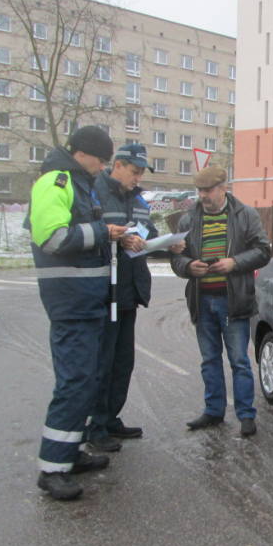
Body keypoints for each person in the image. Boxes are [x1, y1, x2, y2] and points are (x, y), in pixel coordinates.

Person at [29, 125, 128, 500]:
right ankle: (52, 469)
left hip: (86, 301)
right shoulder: (55, 182)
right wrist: (104, 233)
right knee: (74, 382)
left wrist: (109, 233)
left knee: (87, 380)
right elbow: (54, 239)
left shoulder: (77, 181)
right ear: (82, 153)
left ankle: (70, 453)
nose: (103, 166)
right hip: (70, 302)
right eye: (101, 159)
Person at [86, 144, 184, 452]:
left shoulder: (138, 198)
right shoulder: (94, 191)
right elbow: (87, 232)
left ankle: (111, 417)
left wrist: (165, 245)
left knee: (122, 361)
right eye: (135, 171)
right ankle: (96, 425)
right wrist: (116, 235)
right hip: (105, 289)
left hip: (129, 290)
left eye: (141, 172)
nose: (138, 177)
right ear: (117, 165)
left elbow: (148, 234)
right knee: (103, 362)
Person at [171, 166, 271, 437]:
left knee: (239, 360)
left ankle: (246, 416)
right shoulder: (188, 219)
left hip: (234, 300)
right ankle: (213, 411)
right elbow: (176, 260)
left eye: (208, 190)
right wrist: (189, 266)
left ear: (223, 188)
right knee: (209, 359)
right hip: (202, 300)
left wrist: (234, 263)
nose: (203, 196)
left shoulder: (245, 215)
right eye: (200, 191)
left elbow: (264, 251)